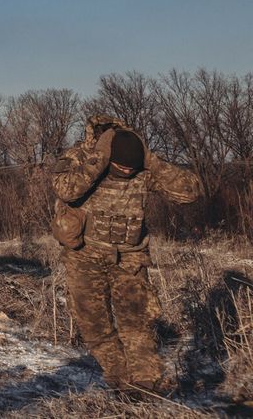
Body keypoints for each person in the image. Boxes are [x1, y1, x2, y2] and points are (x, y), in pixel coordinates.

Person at [51, 114, 201, 395]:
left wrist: (151, 161)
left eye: (132, 169)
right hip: (84, 256)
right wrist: (98, 161)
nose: (128, 172)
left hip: (130, 257)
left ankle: (146, 384)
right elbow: (66, 190)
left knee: (137, 322)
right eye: (121, 167)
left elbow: (190, 191)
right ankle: (119, 378)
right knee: (93, 324)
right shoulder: (80, 157)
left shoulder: (141, 164)